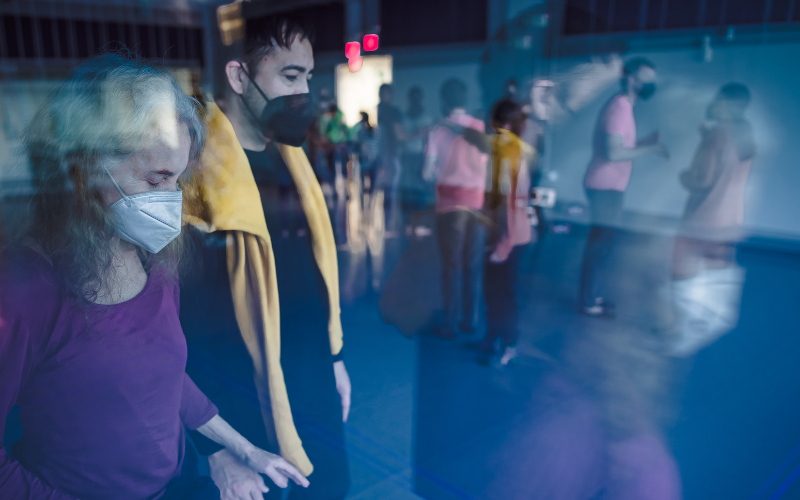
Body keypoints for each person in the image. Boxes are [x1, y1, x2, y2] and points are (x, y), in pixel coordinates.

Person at [0, 53, 308, 500]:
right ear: (83, 170)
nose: (170, 200)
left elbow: (163, 375)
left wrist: (242, 449)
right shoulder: (23, 288)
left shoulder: (153, 257)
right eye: (155, 179)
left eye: (177, 179)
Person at [180, 13, 351, 500]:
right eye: (290, 76)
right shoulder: (196, 180)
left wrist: (334, 357)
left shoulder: (292, 159)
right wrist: (218, 448)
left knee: (330, 489)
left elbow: (312, 271)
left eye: (308, 77)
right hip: (244, 397)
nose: (304, 93)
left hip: (312, 373)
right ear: (239, 77)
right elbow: (185, 324)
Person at [670, 83, 755, 356]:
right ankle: (706, 329)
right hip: (731, 219)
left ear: (725, 103)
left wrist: (683, 175)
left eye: (718, 100)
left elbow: (701, 180)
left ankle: (679, 332)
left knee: (682, 274)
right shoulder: (746, 132)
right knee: (716, 275)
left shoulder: (717, 135)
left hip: (702, 218)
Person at [579, 58, 669, 317]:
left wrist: (645, 142)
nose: (651, 82)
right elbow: (613, 153)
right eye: (647, 77)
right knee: (599, 248)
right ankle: (588, 302)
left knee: (602, 247)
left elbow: (622, 147)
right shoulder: (619, 107)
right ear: (631, 79)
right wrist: (652, 149)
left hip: (610, 188)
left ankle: (591, 297)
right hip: (605, 187)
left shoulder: (625, 107)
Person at [423, 79, 488, 339]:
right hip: (478, 203)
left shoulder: (437, 130)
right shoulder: (480, 127)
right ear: (465, 99)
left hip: (449, 205)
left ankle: (449, 323)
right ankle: (470, 320)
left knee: (451, 265)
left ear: (443, 101)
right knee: (473, 264)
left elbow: (427, 173)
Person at [478, 99, 536, 366]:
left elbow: (512, 207)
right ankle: (492, 338)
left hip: (511, 238)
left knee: (504, 294)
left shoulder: (510, 155)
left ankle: (508, 344)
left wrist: (503, 246)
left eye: (496, 124)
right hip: (501, 236)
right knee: (492, 291)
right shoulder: (505, 153)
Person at [377, 83, 426, 199]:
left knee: (382, 192)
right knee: (391, 193)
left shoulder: (376, 110)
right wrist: (418, 133)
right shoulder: (393, 112)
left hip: (379, 157)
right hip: (391, 156)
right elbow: (399, 136)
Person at [401, 87, 434, 201]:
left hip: (421, 158)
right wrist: (416, 133)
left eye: (417, 98)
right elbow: (400, 138)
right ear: (409, 100)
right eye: (413, 98)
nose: (415, 101)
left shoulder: (427, 119)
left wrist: (427, 161)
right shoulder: (403, 119)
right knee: (407, 190)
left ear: (421, 100)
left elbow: (430, 144)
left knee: (420, 190)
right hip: (406, 157)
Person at [352, 111, 378, 193]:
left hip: (369, 159)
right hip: (365, 159)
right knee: (365, 182)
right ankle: (366, 200)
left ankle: (369, 200)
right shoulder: (361, 131)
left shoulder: (370, 130)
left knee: (370, 182)